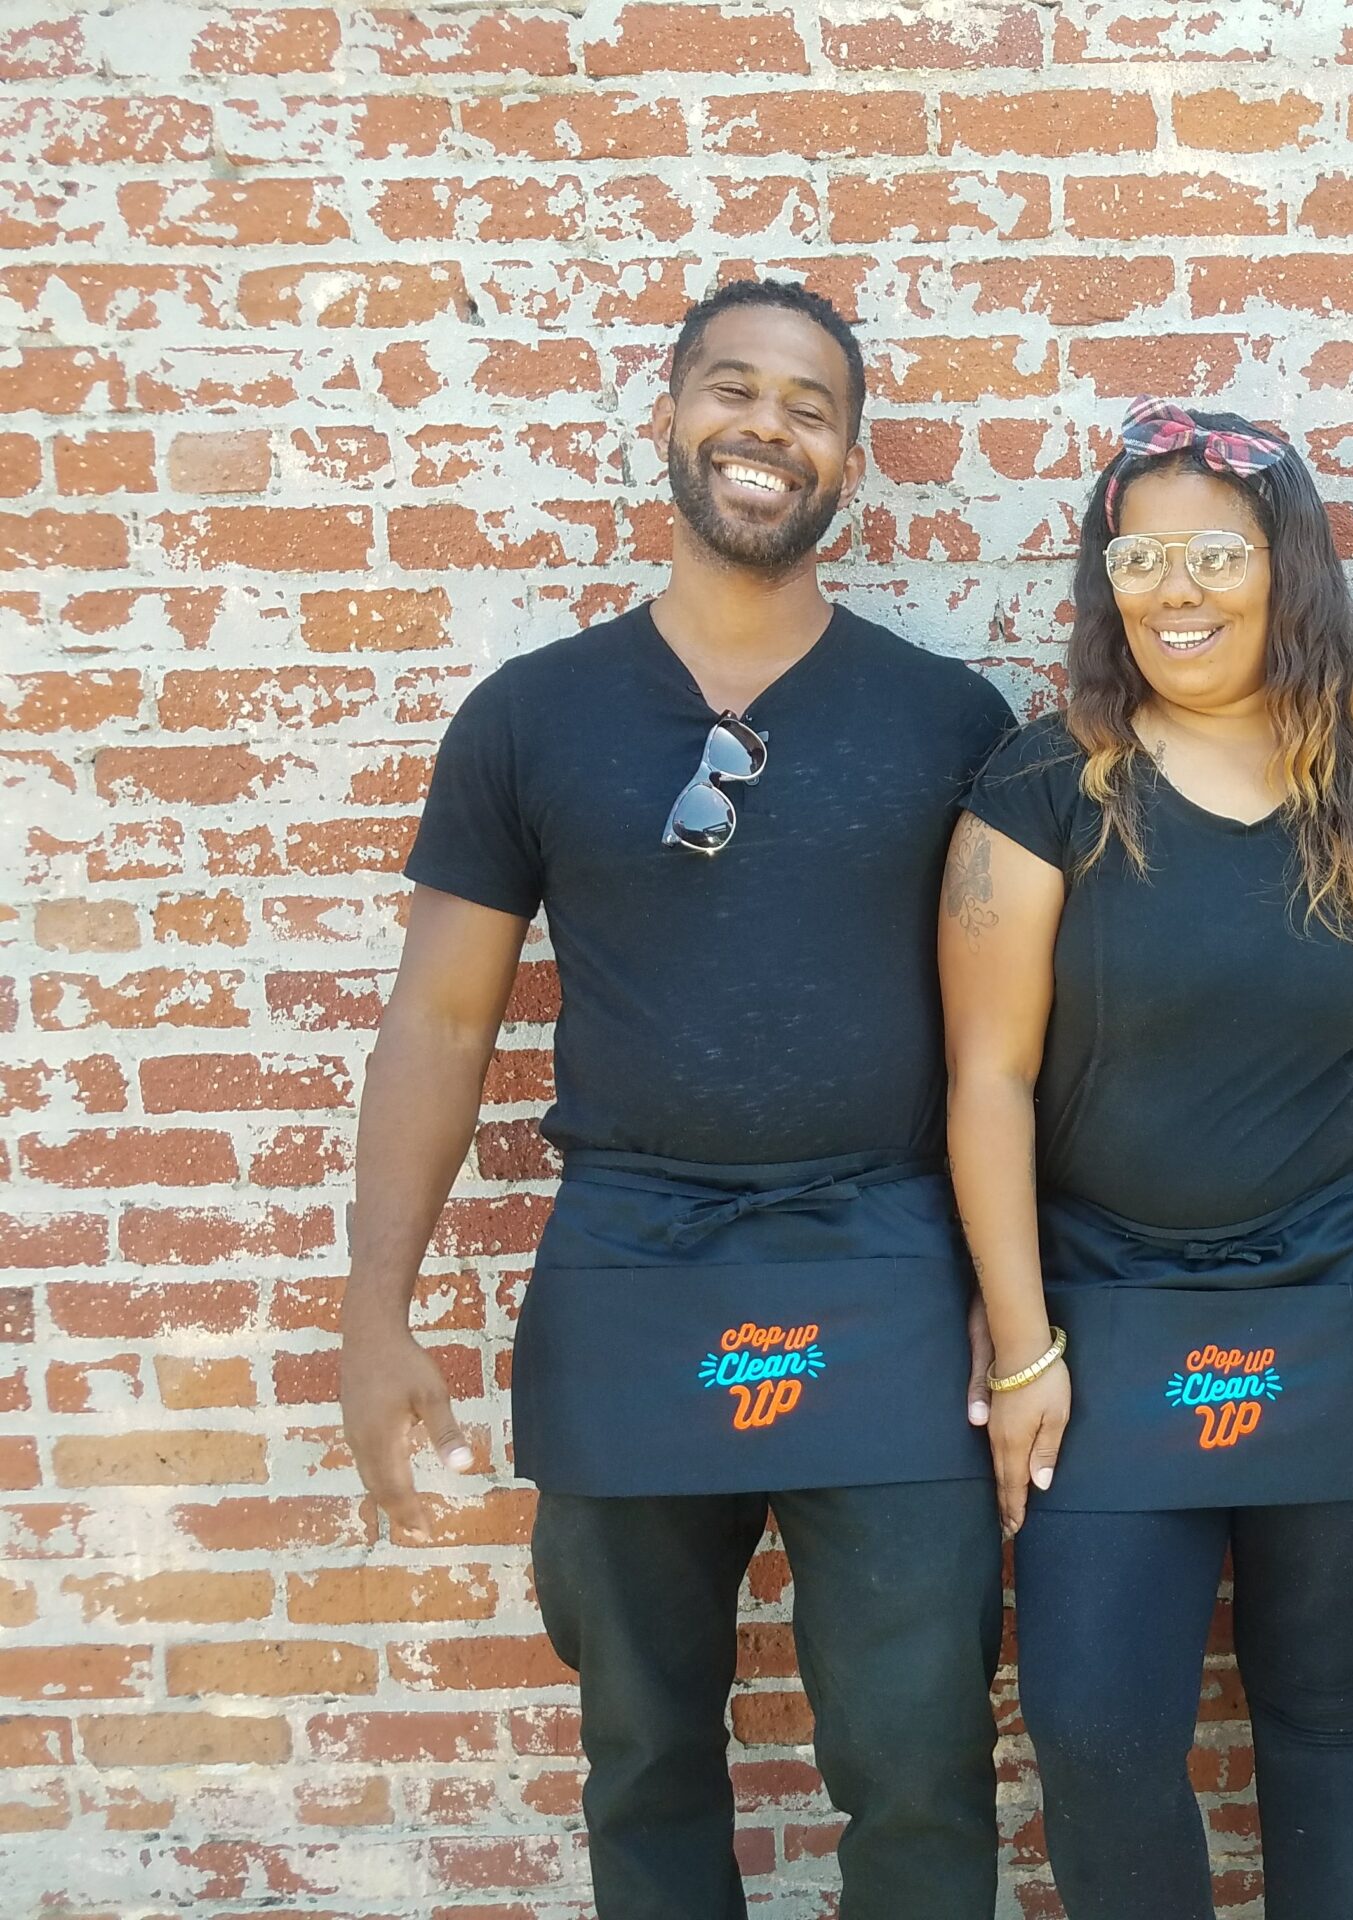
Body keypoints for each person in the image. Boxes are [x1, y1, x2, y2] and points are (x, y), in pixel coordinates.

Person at [338, 278, 1015, 1920]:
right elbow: (438, 1020)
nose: (765, 428)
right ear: (666, 418)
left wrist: (1022, 1298)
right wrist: (374, 1311)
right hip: (631, 1261)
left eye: (808, 405)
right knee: (642, 1753)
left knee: (919, 1757)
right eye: (733, 390)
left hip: (886, 1262)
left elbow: (1021, 1044)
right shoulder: (532, 717)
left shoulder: (949, 720)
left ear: (851, 458)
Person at [940, 400, 1353, 1919]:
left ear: (1286, 567)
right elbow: (987, 1074)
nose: (1175, 590)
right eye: (1140, 555)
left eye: (1215, 554)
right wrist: (1025, 1340)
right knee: (1098, 1728)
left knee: (1326, 1715)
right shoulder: (1045, 780)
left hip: (1348, 1294)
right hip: (1106, 1310)